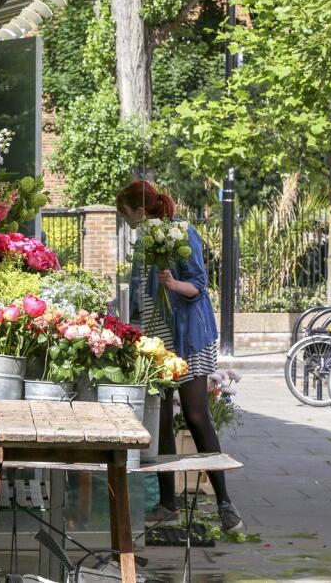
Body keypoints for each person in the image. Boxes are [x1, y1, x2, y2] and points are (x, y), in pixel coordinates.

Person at [116, 179, 244, 533]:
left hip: (190, 338)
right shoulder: (143, 241)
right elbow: (140, 296)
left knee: (197, 414)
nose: (125, 221)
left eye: (125, 214)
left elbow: (199, 285)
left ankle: (224, 503)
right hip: (156, 341)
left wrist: (173, 285)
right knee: (158, 421)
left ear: (140, 210)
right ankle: (168, 502)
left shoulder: (181, 232)